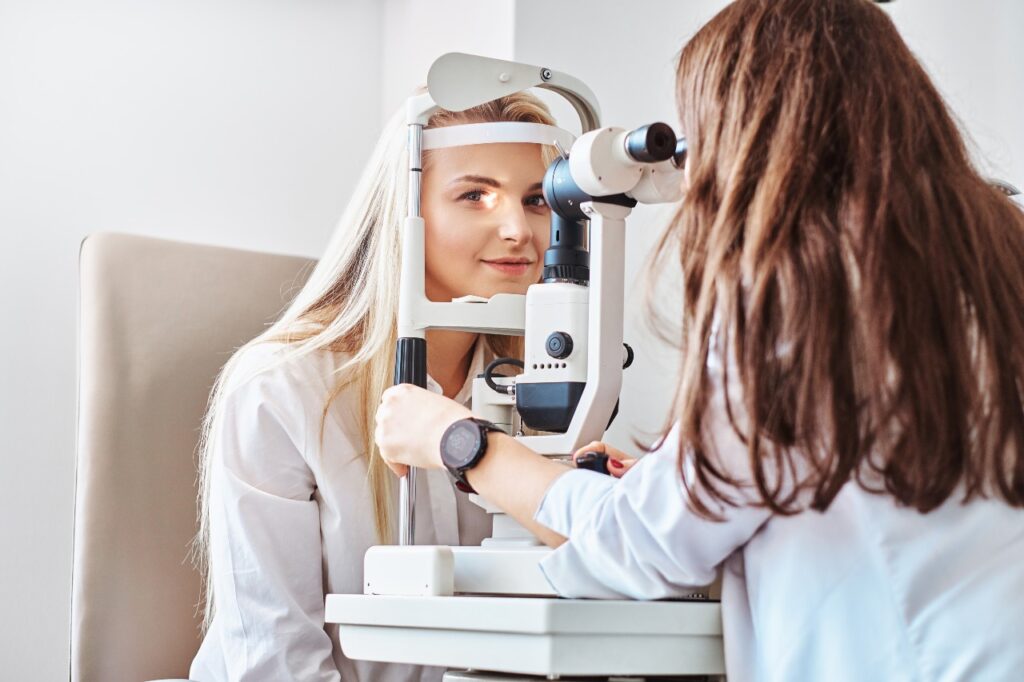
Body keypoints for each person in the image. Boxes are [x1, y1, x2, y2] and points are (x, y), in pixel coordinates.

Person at [374, 1, 1024, 680]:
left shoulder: (805, 291)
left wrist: (460, 441)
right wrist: (675, 478)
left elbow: (640, 544)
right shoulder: (995, 252)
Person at [189, 90, 561, 681]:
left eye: (536, 200)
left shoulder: (547, 392)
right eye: (475, 195)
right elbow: (275, 660)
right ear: (404, 214)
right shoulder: (281, 390)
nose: (517, 228)